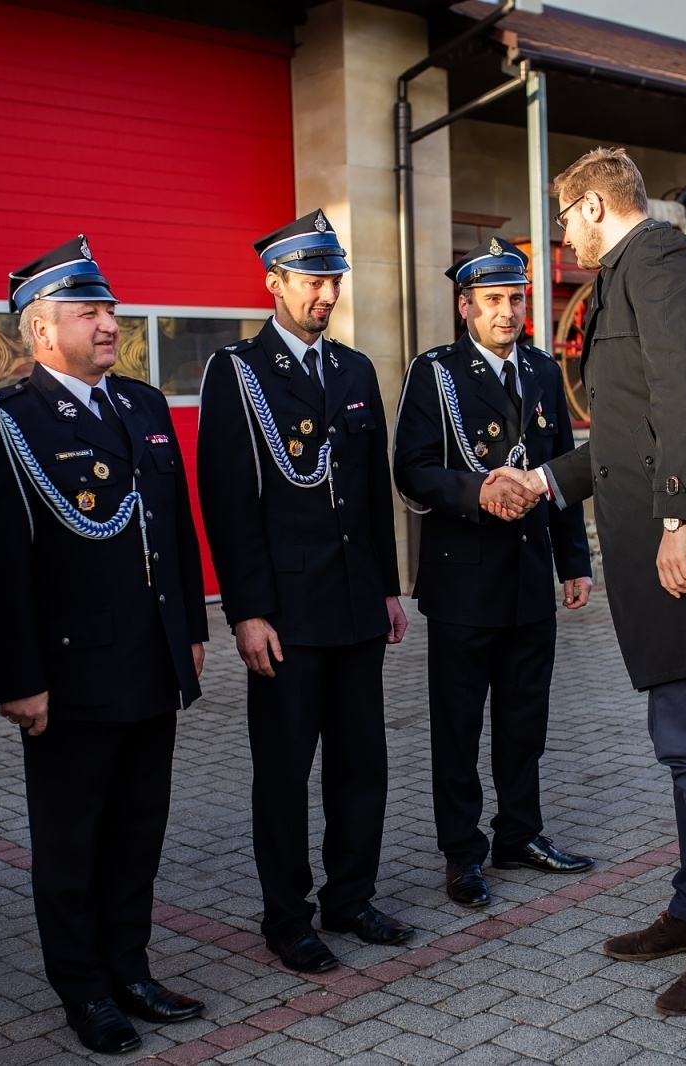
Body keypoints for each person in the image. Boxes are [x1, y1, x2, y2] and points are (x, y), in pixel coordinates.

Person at [496, 147, 686, 1015]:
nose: (560, 236)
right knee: (684, 740)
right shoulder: (634, 270)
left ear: (591, 205)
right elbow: (630, 427)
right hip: (669, 542)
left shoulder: (657, 261)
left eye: (562, 216)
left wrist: (677, 518)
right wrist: (547, 482)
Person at [0, 236, 209, 1055]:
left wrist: (192, 632)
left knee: (139, 829)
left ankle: (130, 968)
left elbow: (173, 528)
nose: (111, 324)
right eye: (90, 312)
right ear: (39, 331)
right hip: (68, 675)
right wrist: (17, 679)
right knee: (72, 843)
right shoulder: (6, 420)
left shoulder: (142, 404)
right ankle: (85, 989)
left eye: (110, 310)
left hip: (150, 661)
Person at [197, 210, 413, 974]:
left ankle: (350, 897)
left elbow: (370, 490)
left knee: (362, 764)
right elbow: (226, 502)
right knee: (285, 773)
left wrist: (390, 589)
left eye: (333, 280)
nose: (326, 293)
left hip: (356, 606)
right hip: (286, 615)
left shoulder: (354, 370)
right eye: (312, 279)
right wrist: (247, 611)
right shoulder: (238, 372)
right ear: (275, 283)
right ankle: (286, 915)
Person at [392, 238, 595, 909]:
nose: (507, 312)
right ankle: (462, 853)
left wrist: (574, 562)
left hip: (529, 578)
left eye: (515, 299)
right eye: (492, 301)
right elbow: (410, 469)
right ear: (465, 306)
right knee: (457, 728)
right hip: (462, 584)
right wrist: (475, 491)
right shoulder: (436, 373)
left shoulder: (539, 371)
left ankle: (520, 833)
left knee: (523, 720)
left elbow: (561, 468)